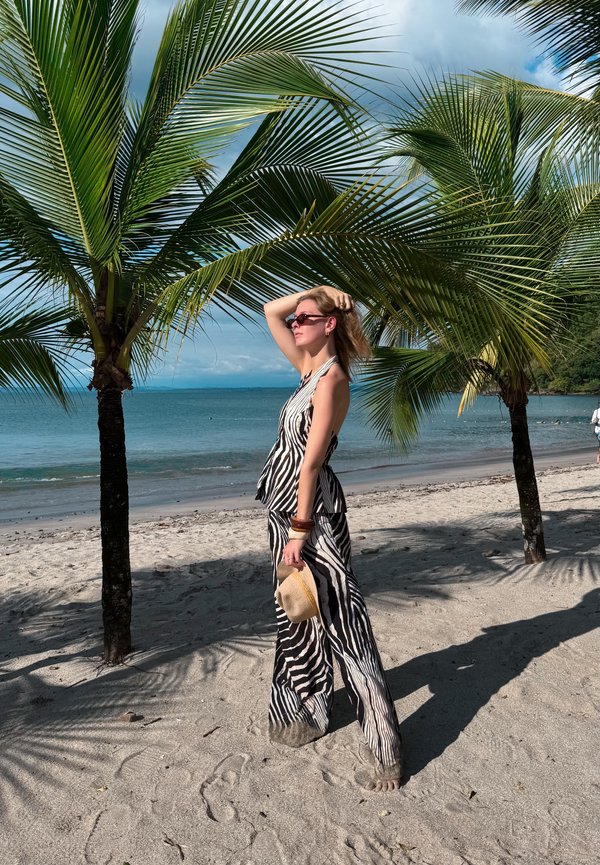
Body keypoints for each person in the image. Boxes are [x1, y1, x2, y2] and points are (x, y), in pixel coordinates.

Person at [256, 284, 403, 792]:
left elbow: (312, 462)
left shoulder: (332, 379)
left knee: (344, 623)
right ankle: (303, 714)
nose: (295, 323)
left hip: (311, 517)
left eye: (306, 318)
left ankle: (385, 754)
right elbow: (269, 311)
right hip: (284, 512)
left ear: (330, 325)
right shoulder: (307, 369)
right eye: (297, 320)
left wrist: (300, 530)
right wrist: (315, 291)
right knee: (297, 614)